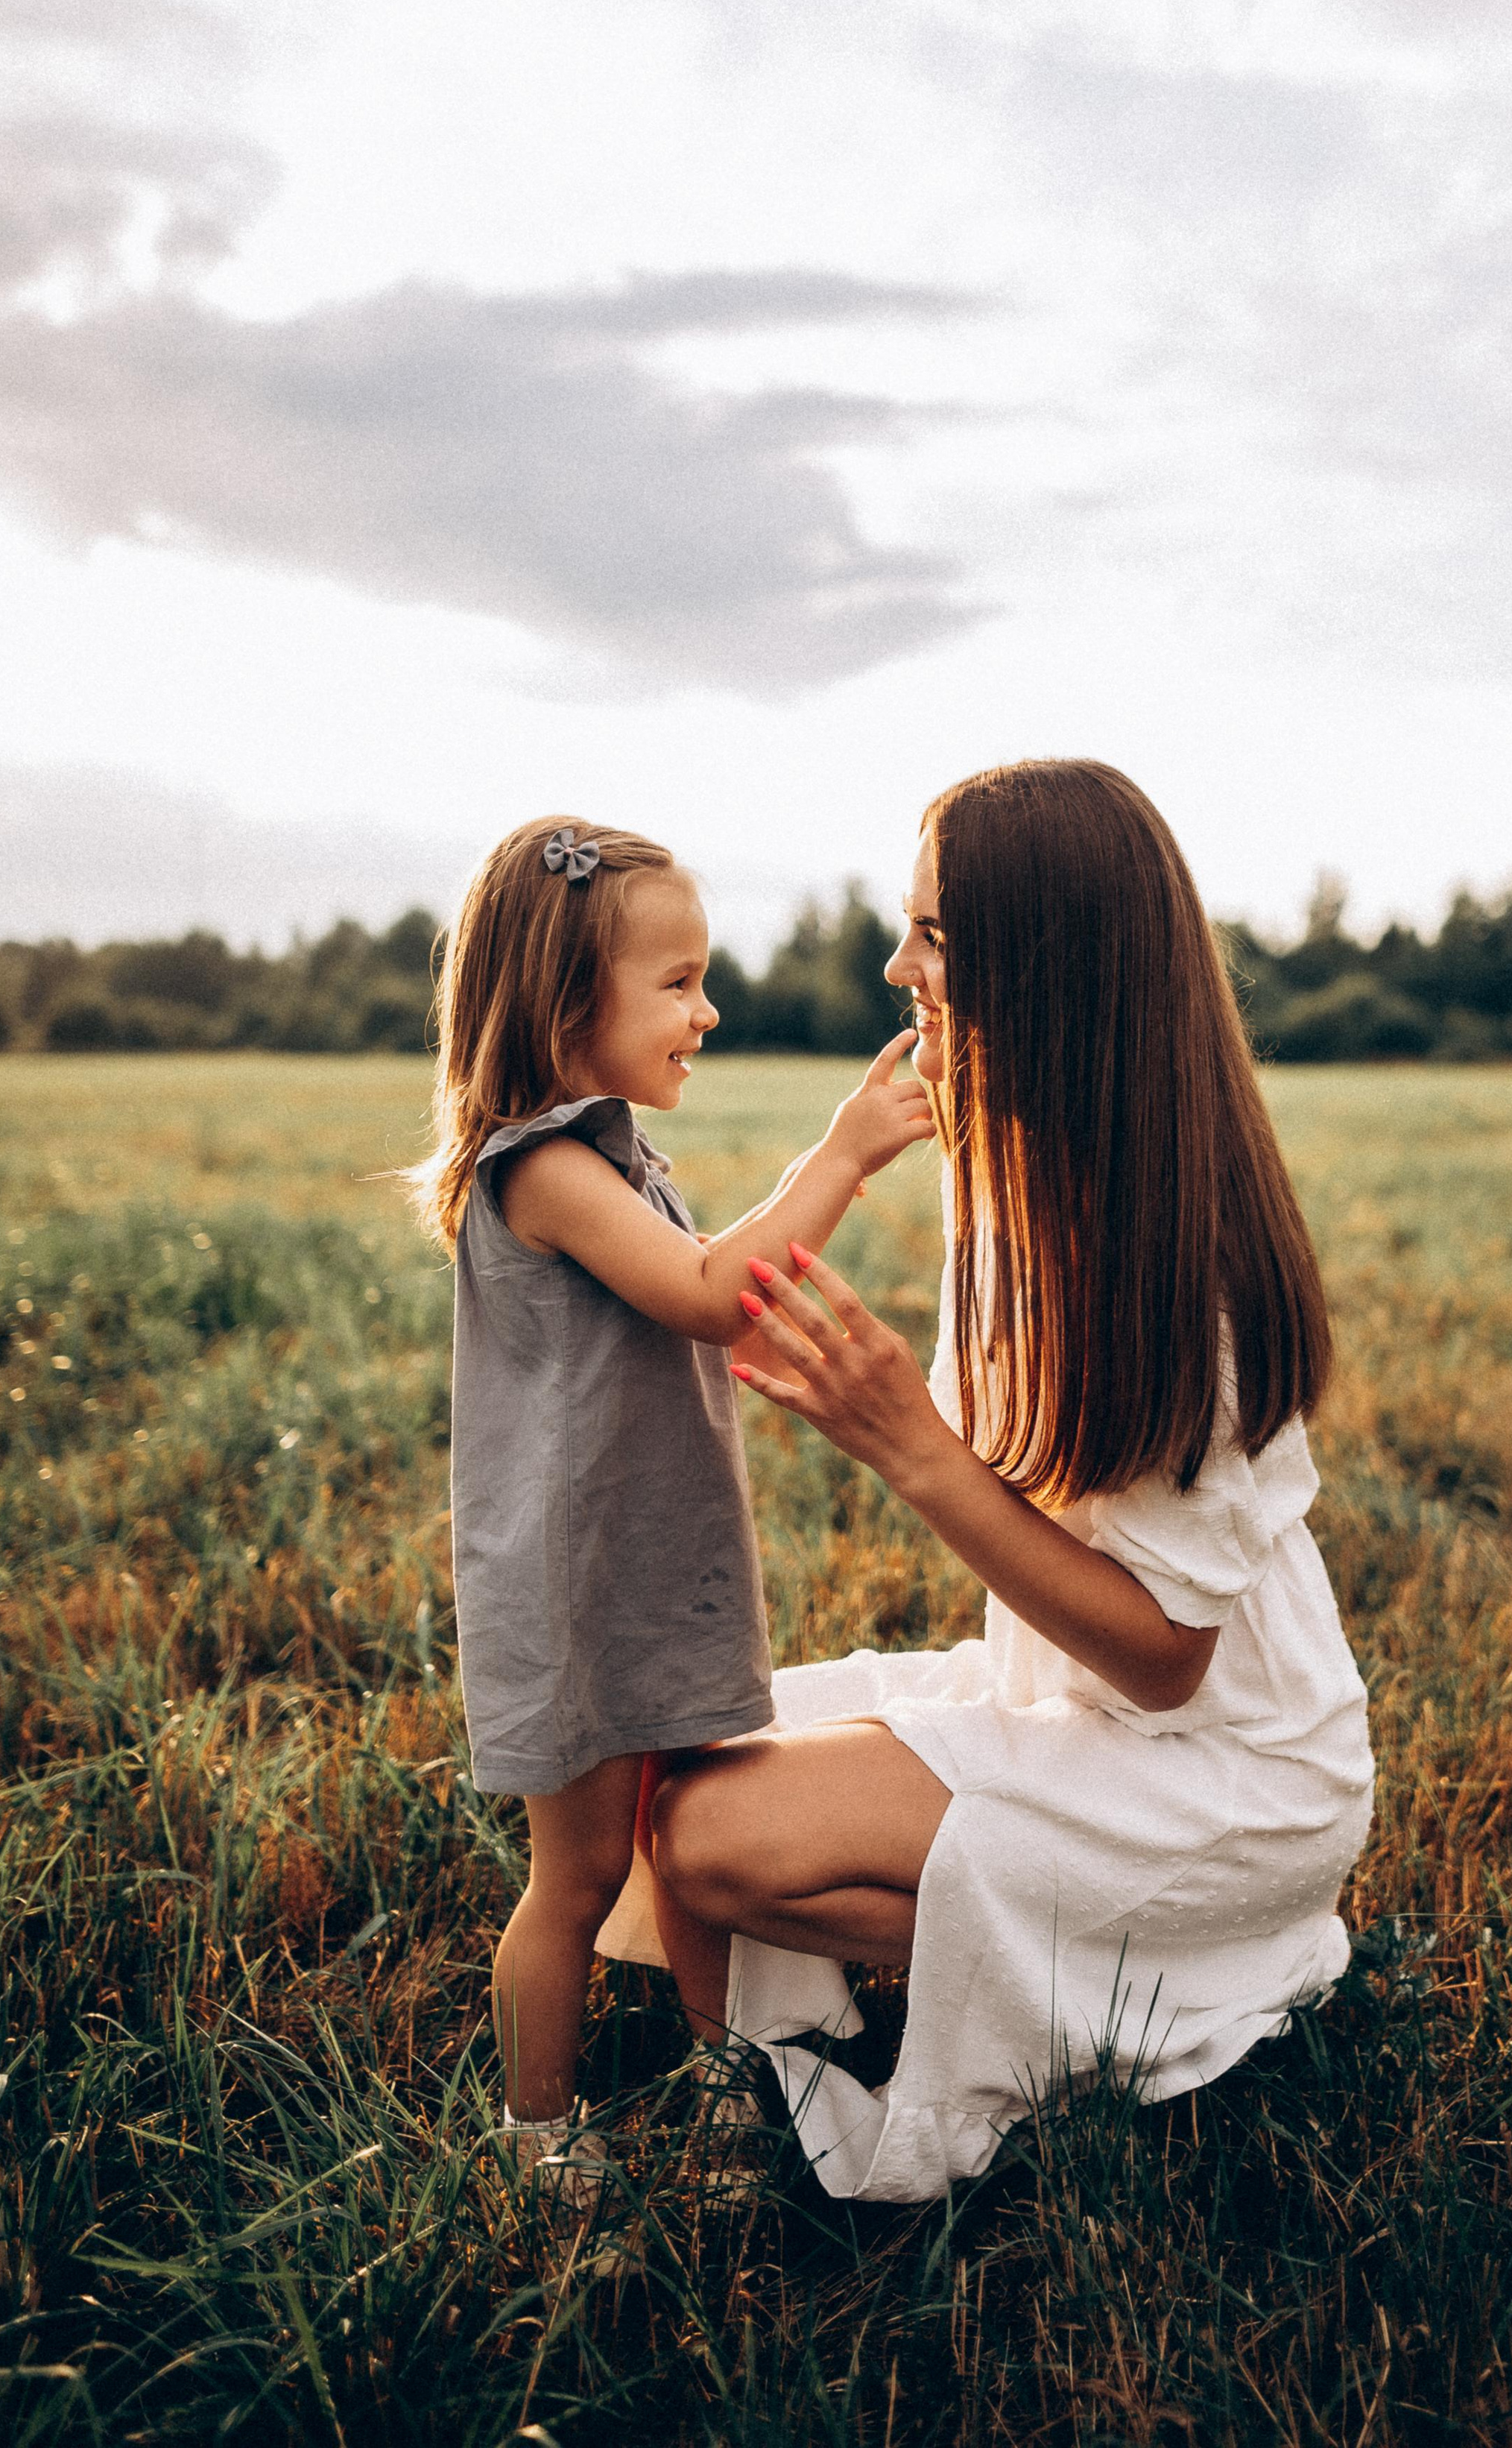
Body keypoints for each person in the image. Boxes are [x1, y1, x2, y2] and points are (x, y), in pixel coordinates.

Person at [636, 760, 1375, 2203]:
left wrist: (907, 1443)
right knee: (672, 1754)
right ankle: (1060, 1948)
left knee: (708, 1835)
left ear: (1049, 969)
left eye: (937, 940)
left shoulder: (1174, 1265)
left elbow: (1164, 1661)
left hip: (1219, 1778)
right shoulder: (1028, 1174)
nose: (895, 963)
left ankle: (1151, 1953)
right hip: (1075, 1713)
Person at [408, 815, 931, 2201]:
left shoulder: (617, 1154)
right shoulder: (543, 1168)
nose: (708, 1011)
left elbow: (675, 1317)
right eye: (679, 983)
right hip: (581, 1589)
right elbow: (706, 1290)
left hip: (655, 1563)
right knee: (576, 1879)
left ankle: (724, 2085)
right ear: (568, 1003)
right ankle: (536, 2134)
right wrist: (844, 1155)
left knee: (693, 1846)